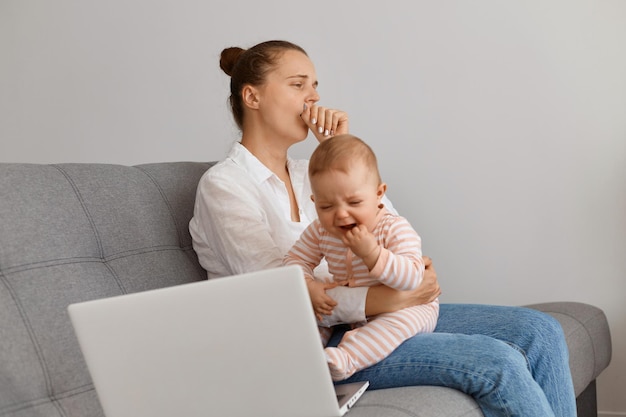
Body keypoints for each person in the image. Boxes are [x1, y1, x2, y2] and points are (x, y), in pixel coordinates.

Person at [189, 40, 576, 417]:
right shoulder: (225, 185)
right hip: (311, 345)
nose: (313, 99)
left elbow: (384, 226)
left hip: (374, 318)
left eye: (315, 86)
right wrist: (389, 300)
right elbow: (280, 294)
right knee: (496, 363)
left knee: (541, 331)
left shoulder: (312, 172)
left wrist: (338, 147)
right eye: (298, 85)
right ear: (252, 97)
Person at [284, 134, 439, 381]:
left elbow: (412, 279)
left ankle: (347, 359)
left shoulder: (393, 228)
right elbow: (294, 260)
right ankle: (308, 358)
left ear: (379, 194)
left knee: (396, 324)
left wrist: (373, 254)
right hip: (355, 312)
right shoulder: (321, 231)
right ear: (314, 203)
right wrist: (309, 285)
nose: (341, 214)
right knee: (314, 313)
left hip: (409, 307)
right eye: (326, 207)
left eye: (354, 202)